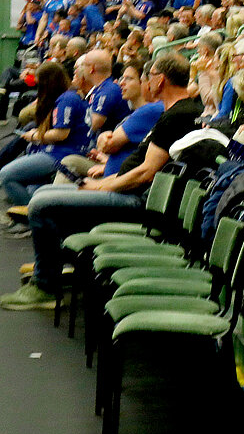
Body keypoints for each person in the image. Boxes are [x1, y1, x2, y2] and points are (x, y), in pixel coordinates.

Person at [3, 53, 202, 312]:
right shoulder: (178, 111)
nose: (146, 82)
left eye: (148, 77)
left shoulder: (176, 115)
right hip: (129, 190)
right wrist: (105, 179)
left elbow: (146, 173)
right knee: (46, 192)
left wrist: (104, 185)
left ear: (160, 80)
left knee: (42, 203)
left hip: (138, 201)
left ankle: (44, 286)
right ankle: (57, 268)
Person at [0, 62, 88, 220]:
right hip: (55, 151)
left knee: (6, 175)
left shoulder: (67, 99)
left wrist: (35, 136)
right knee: (31, 187)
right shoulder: (64, 96)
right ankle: (31, 216)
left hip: (62, 154)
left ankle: (31, 219)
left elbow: (61, 134)